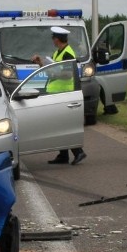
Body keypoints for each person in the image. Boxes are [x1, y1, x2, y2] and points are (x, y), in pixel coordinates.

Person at [33, 26, 87, 165]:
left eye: (53, 37)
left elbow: (68, 74)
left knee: (62, 124)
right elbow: (52, 72)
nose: (52, 40)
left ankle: (78, 152)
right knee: (58, 124)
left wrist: (56, 72)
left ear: (57, 39)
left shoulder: (68, 54)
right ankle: (63, 155)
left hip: (64, 92)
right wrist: (41, 64)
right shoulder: (58, 53)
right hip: (56, 92)